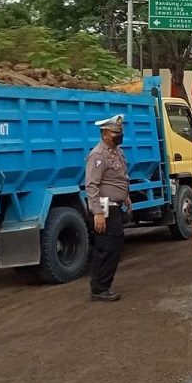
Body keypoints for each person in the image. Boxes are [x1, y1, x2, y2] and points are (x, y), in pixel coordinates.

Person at [86, 114, 132, 302]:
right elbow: (91, 185)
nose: (119, 135)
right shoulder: (98, 155)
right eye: (115, 132)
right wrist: (97, 212)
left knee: (114, 247)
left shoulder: (117, 152)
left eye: (120, 132)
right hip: (106, 209)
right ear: (105, 134)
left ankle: (104, 285)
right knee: (106, 248)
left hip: (116, 207)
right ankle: (99, 288)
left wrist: (126, 195)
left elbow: (119, 177)